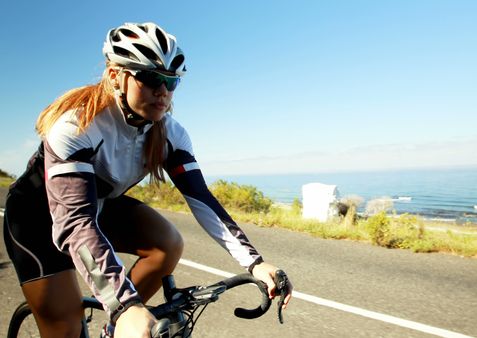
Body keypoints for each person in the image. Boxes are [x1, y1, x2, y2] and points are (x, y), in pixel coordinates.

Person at [3, 22, 293, 338]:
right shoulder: (75, 125)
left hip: (97, 206)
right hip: (35, 222)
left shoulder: (170, 134)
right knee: (67, 329)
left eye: (171, 82)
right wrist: (125, 305)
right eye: (151, 78)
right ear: (115, 75)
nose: (163, 91)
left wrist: (255, 264)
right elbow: (76, 225)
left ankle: (115, 329)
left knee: (167, 243)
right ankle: (123, 314)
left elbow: (201, 198)